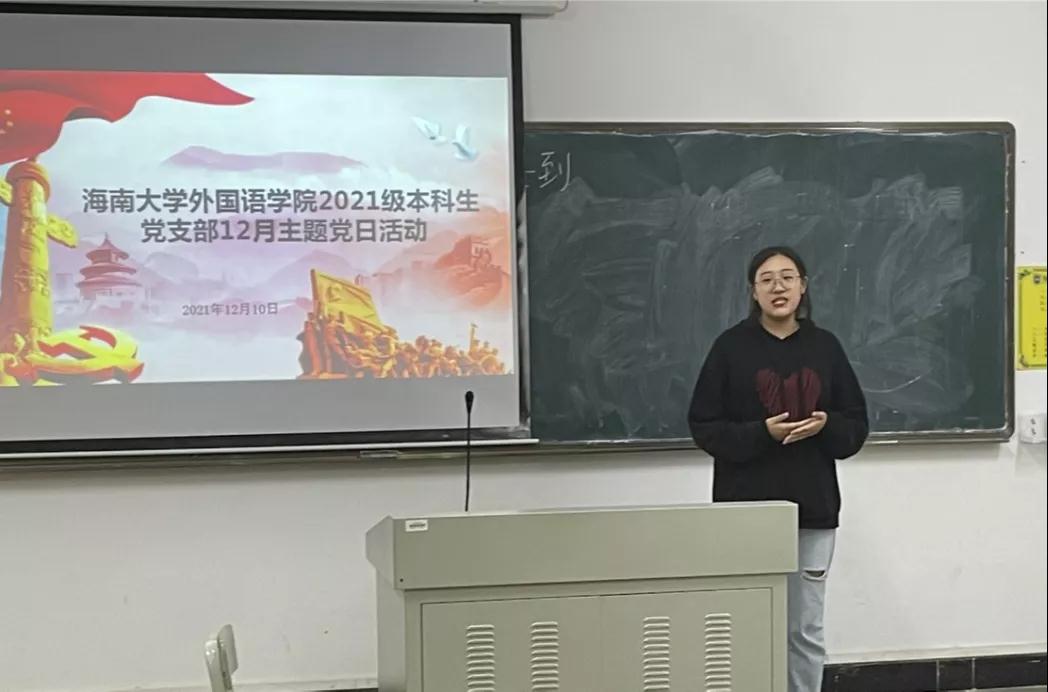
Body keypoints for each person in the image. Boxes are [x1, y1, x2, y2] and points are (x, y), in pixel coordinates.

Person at [687, 246, 868, 692]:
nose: (778, 287)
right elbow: (704, 427)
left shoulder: (826, 347)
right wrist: (761, 433)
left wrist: (826, 425)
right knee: (748, 625)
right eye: (766, 279)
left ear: (803, 286)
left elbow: (855, 428)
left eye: (787, 277)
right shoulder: (730, 348)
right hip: (746, 511)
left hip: (813, 510)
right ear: (753, 291)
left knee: (805, 628)